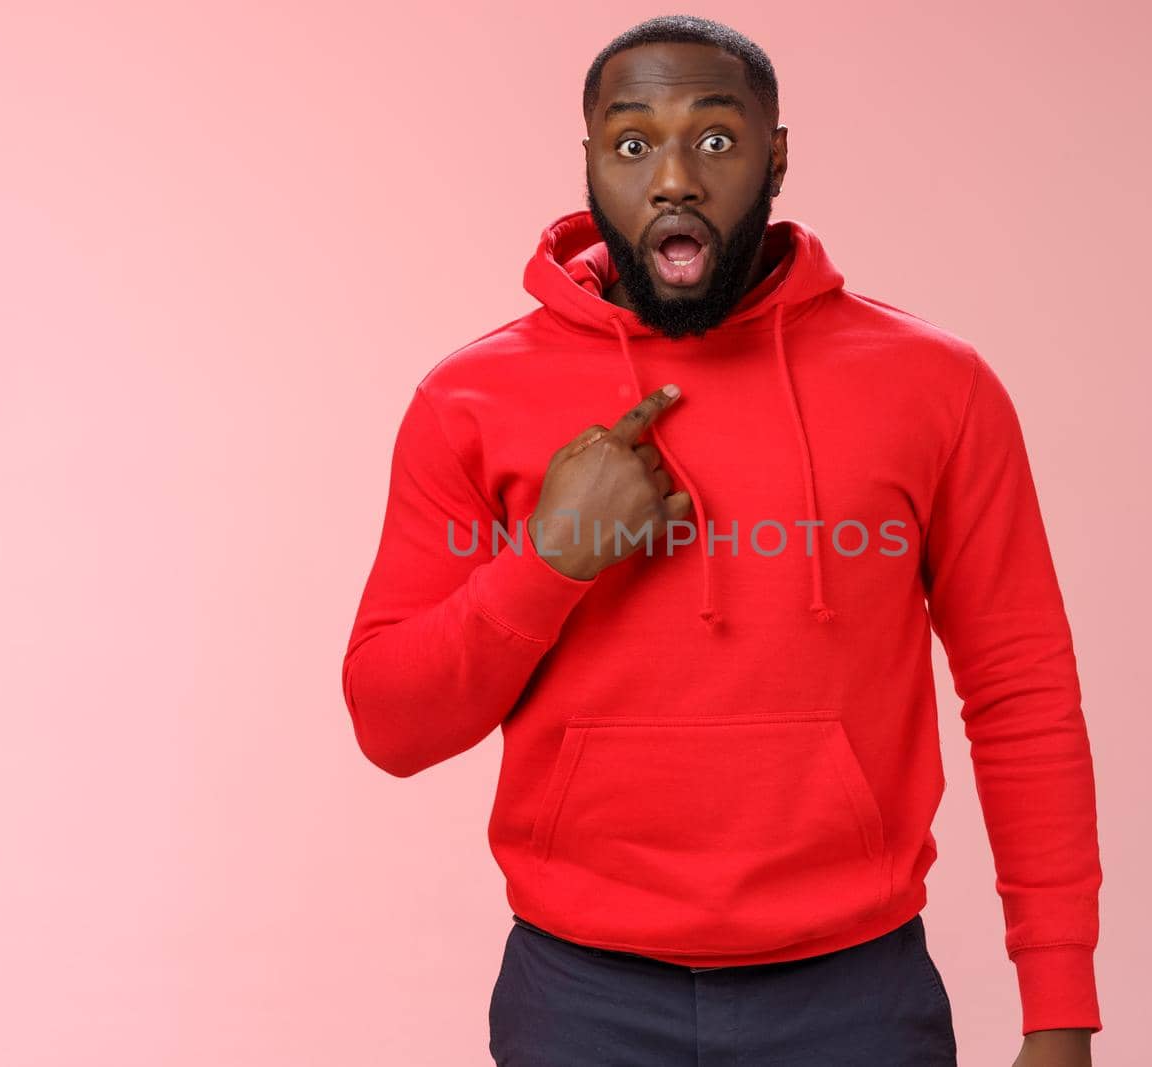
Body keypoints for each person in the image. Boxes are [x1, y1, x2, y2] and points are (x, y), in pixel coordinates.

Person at [341, 14, 1103, 1066]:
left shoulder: (936, 387)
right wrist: (550, 557)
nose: (672, 179)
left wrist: (1056, 1004)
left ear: (777, 156)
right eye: (631, 142)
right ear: (590, 167)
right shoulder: (468, 398)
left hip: (856, 993)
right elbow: (391, 722)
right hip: (578, 997)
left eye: (713, 139)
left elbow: (1021, 691)